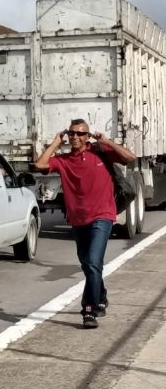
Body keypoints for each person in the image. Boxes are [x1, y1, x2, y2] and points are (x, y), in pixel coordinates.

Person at [35, 119, 136, 329]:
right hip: (78, 219)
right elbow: (40, 165)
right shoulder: (63, 160)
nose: (75, 137)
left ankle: (89, 310)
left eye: (81, 134)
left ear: (87, 136)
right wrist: (55, 143)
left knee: (92, 261)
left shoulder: (100, 153)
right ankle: (101, 295)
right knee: (88, 264)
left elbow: (130, 157)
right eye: (72, 133)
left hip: (103, 215)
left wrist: (107, 142)